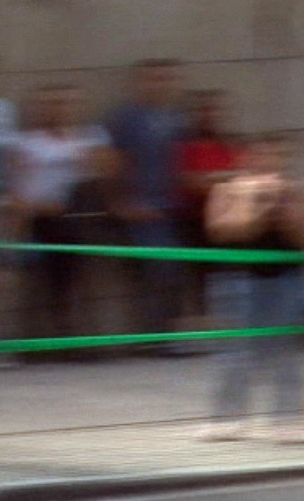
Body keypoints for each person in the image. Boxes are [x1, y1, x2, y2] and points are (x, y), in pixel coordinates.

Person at [200, 134, 304, 442]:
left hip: (285, 280)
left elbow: (301, 234)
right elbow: (225, 230)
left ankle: (288, 419)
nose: (267, 162)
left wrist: (283, 202)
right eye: (260, 155)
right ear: (246, 158)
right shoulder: (227, 190)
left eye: (275, 156)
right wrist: (258, 204)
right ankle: (227, 418)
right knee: (236, 351)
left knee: (285, 350)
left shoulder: (292, 191)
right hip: (238, 280)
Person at [12, 84, 112, 353]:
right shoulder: (29, 143)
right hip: (45, 221)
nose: (58, 109)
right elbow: (20, 192)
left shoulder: (88, 139)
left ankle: (80, 337)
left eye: (64, 103)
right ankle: (57, 338)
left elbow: (105, 175)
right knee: (52, 279)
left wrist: (89, 159)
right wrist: (39, 209)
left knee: (79, 275)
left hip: (79, 221)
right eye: (51, 103)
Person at [106, 58, 190, 345]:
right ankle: (156, 337)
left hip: (173, 208)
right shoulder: (126, 119)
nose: (161, 84)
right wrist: (121, 202)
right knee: (156, 269)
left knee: (177, 270)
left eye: (167, 78)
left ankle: (172, 333)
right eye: (154, 78)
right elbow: (113, 162)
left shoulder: (177, 118)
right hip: (142, 208)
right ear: (140, 82)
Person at [177, 89, 241, 324]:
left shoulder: (231, 144)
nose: (210, 115)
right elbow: (190, 183)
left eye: (214, 109)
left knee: (232, 276)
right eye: (204, 110)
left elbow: (243, 179)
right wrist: (222, 179)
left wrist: (212, 179)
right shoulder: (187, 146)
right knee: (201, 280)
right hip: (197, 222)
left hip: (231, 222)